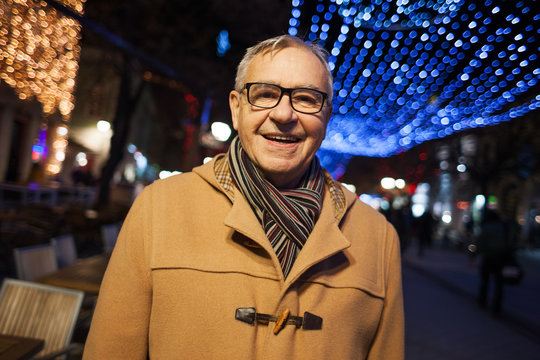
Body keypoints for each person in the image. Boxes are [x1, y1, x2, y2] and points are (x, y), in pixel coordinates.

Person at [83, 35, 404, 359]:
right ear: (237, 108)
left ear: (326, 117)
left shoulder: (378, 238)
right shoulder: (158, 209)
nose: (283, 114)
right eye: (265, 94)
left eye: (306, 99)